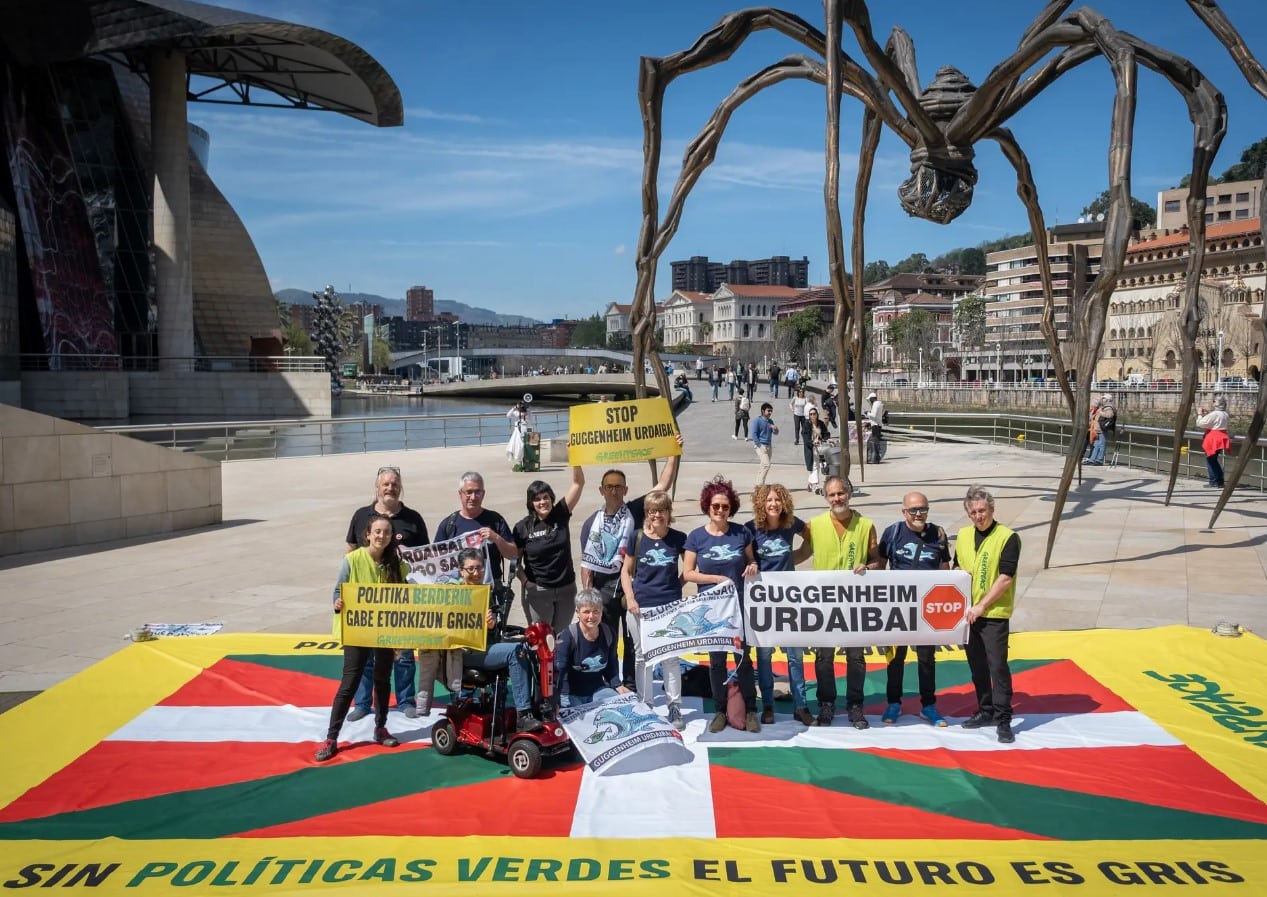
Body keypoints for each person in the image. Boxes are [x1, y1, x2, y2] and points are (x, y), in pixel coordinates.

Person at [316, 514, 408, 761]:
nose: (381, 536)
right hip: (357, 629)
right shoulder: (352, 560)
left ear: (391, 537)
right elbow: (338, 590)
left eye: (386, 532)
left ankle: (380, 727)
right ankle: (331, 737)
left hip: (385, 630)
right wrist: (338, 603)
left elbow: (407, 592)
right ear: (368, 534)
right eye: (377, 532)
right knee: (350, 682)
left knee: (382, 679)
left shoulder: (397, 564)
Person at [344, 466, 429, 721]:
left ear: (400, 487)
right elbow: (350, 551)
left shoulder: (413, 518)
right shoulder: (361, 515)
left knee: (403, 656)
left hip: (402, 602)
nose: (389, 488)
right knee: (367, 656)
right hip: (367, 601)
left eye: (394, 484)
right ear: (377, 487)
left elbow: (427, 557)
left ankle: (405, 700)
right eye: (385, 484)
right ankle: (362, 703)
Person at [684, 476, 760, 733]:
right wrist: (716, 579)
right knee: (716, 663)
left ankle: (750, 710)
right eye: (715, 505)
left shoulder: (742, 533)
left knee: (744, 660)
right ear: (707, 506)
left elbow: (751, 561)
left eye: (725, 506)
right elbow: (688, 573)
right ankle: (719, 710)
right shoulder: (696, 537)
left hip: (739, 609)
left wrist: (752, 565)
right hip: (711, 612)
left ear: (731, 508)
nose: (720, 510)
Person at [805, 476, 880, 728]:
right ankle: (826, 704)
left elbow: (877, 560)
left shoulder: (866, 525)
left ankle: (855, 706)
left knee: (856, 657)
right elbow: (800, 554)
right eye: (832, 494)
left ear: (850, 493)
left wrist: (868, 567)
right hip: (824, 603)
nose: (837, 498)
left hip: (854, 602)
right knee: (824, 657)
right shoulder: (814, 525)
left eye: (841, 493)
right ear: (826, 497)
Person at [953, 485, 1021, 744]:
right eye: (973, 512)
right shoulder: (963, 535)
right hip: (968, 614)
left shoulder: (1008, 537)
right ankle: (986, 710)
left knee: (997, 667)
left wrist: (982, 606)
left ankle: (1004, 719)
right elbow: (959, 565)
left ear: (991, 509)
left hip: (993, 613)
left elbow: (1005, 577)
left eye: (982, 510)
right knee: (977, 667)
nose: (978, 516)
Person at [877, 491, 951, 726]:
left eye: (923, 509)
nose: (919, 514)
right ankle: (893, 703)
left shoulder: (938, 534)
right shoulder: (893, 533)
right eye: (913, 510)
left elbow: (945, 570)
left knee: (927, 659)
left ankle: (928, 705)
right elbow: (879, 567)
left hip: (926, 610)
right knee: (895, 659)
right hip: (898, 608)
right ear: (904, 512)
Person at [745, 484, 814, 726]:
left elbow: (811, 539)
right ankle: (768, 706)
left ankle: (801, 705)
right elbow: (746, 558)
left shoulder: (791, 524)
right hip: (763, 600)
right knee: (764, 656)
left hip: (789, 599)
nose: (773, 504)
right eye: (769, 500)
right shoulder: (751, 529)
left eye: (778, 500)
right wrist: (752, 564)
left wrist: (794, 558)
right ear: (761, 504)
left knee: (795, 655)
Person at [620, 490, 687, 730]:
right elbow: (626, 572)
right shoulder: (636, 536)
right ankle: (645, 703)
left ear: (669, 512)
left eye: (662, 510)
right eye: (652, 511)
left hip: (669, 606)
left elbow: (689, 569)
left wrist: (676, 586)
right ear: (647, 514)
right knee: (642, 657)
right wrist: (631, 598)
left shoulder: (679, 538)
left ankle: (674, 705)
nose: (657, 515)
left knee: (670, 657)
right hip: (640, 607)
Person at [454, 548, 541, 732]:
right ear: (461, 571)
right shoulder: (453, 595)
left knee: (527, 647)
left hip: (488, 646)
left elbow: (495, 632)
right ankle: (523, 715)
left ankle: (536, 705)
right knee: (516, 650)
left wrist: (492, 625)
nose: (476, 573)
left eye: (479, 568)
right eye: (471, 569)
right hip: (466, 651)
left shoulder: (488, 593)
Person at [514, 466, 585, 633]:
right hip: (538, 592)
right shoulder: (523, 527)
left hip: (566, 590)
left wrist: (575, 459)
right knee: (541, 641)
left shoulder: (560, 514)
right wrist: (526, 582)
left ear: (551, 498)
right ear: (531, 503)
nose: (542, 502)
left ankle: (560, 661)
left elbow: (578, 483)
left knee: (562, 638)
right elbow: (515, 561)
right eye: (537, 499)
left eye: (546, 497)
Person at [433, 472, 519, 585]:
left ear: (483, 494)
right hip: (459, 591)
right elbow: (434, 561)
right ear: (460, 494)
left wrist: (497, 538)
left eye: (477, 492)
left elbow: (513, 555)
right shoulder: (448, 525)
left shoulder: (495, 520)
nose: (473, 497)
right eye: (468, 492)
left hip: (491, 590)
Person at [555, 589, 632, 707]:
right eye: (586, 612)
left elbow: (611, 665)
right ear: (577, 612)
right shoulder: (568, 636)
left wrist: (617, 685)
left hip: (598, 691)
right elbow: (561, 672)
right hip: (571, 695)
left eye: (596, 611)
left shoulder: (608, 633)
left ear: (601, 612)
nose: (591, 616)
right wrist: (562, 697)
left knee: (624, 706)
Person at [1197, 396, 1231, 488]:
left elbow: (1201, 424)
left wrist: (1200, 414)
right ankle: (1219, 481)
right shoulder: (1225, 414)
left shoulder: (1215, 414)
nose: (1212, 402)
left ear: (1216, 403)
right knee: (1214, 460)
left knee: (1210, 461)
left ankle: (1214, 481)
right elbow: (1215, 421)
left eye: (1214, 401)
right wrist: (1208, 414)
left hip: (1213, 438)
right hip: (1221, 437)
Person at [802, 405, 831, 492]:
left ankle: (811, 483)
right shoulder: (806, 425)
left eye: (814, 414)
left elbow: (826, 433)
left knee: (822, 464)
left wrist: (826, 439)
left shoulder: (821, 423)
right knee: (814, 465)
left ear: (817, 414)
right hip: (811, 448)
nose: (812, 416)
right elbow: (805, 437)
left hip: (821, 447)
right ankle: (814, 484)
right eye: (810, 414)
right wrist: (812, 442)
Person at [751, 402, 779, 487]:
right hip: (760, 446)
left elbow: (776, 433)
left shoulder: (770, 421)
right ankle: (760, 485)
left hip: (769, 446)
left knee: (763, 466)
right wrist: (759, 445)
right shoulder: (757, 420)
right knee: (767, 465)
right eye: (768, 411)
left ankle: (757, 484)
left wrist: (775, 429)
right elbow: (754, 434)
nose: (770, 413)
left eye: (771, 411)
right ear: (763, 411)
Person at [506, 401, 533, 466]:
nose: (522, 407)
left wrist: (530, 432)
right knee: (517, 445)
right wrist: (514, 407)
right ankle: (519, 461)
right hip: (517, 431)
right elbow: (508, 415)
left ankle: (524, 460)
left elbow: (530, 422)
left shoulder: (528, 412)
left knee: (524, 446)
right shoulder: (516, 412)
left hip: (525, 430)